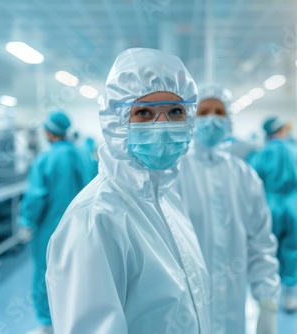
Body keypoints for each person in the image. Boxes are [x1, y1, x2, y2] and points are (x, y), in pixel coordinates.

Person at [46, 48, 211, 333]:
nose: (163, 126)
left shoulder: (168, 199)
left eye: (175, 111)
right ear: (115, 122)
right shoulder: (95, 220)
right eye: (144, 113)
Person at [173, 85, 280, 334]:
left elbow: (261, 243)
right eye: (204, 111)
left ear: (229, 120)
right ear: (191, 118)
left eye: (219, 112)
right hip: (182, 306)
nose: (212, 118)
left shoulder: (244, 176)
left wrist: (267, 302)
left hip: (232, 303)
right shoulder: (174, 173)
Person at [19, 111, 90, 334]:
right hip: (82, 227)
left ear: (49, 132)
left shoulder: (47, 159)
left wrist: (26, 222)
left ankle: (49, 325)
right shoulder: (83, 154)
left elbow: (36, 195)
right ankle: (76, 320)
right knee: (78, 272)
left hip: (50, 228)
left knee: (46, 273)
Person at [248, 116, 297, 313]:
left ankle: (268, 296)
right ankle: (290, 297)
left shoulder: (260, 154)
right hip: (293, 204)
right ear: (283, 130)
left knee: (267, 251)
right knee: (293, 248)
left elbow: (250, 187)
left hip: (268, 204)